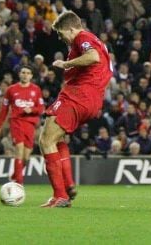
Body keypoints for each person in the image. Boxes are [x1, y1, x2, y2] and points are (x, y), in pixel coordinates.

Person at [39, 11, 112, 208]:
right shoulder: (92, 40)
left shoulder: (83, 37)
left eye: (62, 34)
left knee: (45, 140)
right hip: (91, 99)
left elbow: (93, 57)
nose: (62, 39)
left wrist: (66, 63)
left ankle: (60, 195)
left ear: (71, 29)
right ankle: (68, 185)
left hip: (79, 95)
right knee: (56, 139)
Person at [0, 65, 44, 184]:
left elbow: (41, 108)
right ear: (19, 74)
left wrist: (31, 109)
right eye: (23, 72)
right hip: (16, 122)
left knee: (26, 157)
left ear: (31, 76)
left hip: (30, 124)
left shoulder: (36, 90)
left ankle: (15, 175)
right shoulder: (11, 90)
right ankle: (19, 183)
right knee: (19, 149)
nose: (25, 75)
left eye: (28, 73)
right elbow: (4, 109)